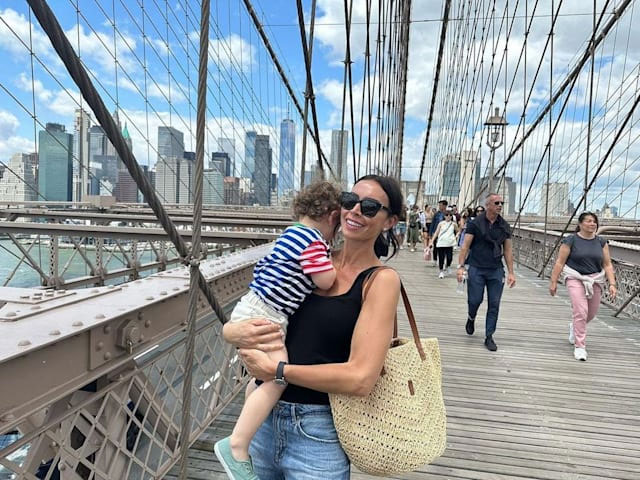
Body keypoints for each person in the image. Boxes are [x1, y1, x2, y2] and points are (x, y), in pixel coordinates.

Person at [221, 175, 402, 479]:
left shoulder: (380, 281)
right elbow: (262, 301)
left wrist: (279, 371)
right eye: (349, 200)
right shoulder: (310, 257)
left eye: (370, 207)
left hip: (318, 433)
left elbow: (361, 378)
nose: (355, 210)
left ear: (389, 222)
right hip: (261, 424)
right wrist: (231, 332)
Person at [214, 181, 342, 479]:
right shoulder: (313, 242)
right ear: (332, 216)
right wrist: (332, 260)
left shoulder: (289, 234)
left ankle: (247, 428)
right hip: (267, 317)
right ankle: (237, 445)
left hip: (253, 307)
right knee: (277, 377)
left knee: (261, 379)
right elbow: (325, 281)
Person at [548, 212, 617, 361]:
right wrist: (553, 282)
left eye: (594, 221)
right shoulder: (570, 240)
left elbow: (607, 264)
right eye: (589, 221)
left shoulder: (601, 242)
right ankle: (580, 346)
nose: (592, 224)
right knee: (581, 311)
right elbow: (560, 262)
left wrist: (612, 284)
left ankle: (574, 327)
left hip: (595, 279)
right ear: (580, 224)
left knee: (590, 313)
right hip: (575, 277)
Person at [456, 194, 516, 352]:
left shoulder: (504, 226)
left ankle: (489, 336)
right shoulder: (475, 223)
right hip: (476, 267)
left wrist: (511, 272)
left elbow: (508, 250)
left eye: (502, 203)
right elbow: (465, 246)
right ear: (488, 205)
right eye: (496, 203)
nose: (500, 205)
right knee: (475, 300)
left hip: (496, 269)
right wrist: (460, 267)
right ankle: (471, 317)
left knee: (494, 304)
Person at [429, 211, 458, 278]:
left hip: (449, 243)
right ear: (444, 216)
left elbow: (458, 231)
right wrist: (432, 241)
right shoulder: (441, 223)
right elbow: (436, 232)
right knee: (441, 257)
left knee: (449, 257)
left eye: (450, 215)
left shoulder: (453, 224)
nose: (448, 216)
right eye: (447, 215)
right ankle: (441, 271)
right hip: (441, 242)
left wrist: (456, 236)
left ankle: (448, 266)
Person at [429, 200, 448, 266]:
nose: (439, 206)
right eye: (439, 205)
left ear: (445, 206)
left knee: (444, 247)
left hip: (445, 233)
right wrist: (430, 233)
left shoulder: (448, 214)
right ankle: (435, 260)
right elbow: (433, 223)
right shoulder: (437, 214)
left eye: (441, 205)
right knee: (435, 247)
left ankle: (443, 260)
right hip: (436, 233)